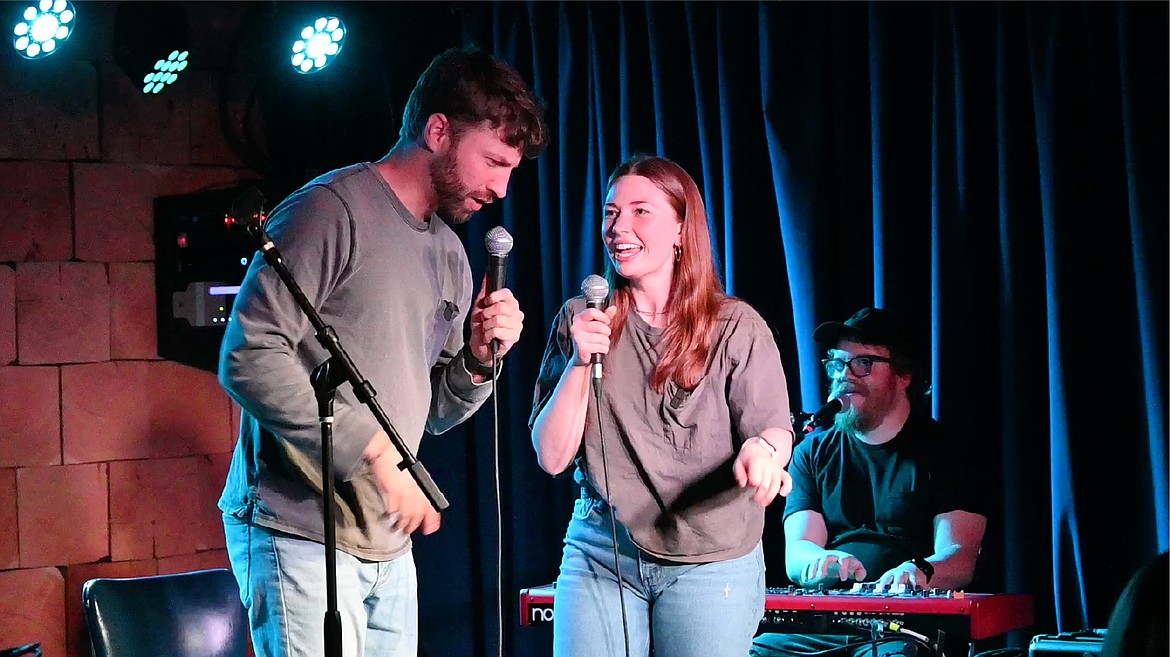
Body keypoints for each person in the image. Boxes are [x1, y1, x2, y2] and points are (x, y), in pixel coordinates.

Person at [217, 47, 547, 657]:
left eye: (510, 170)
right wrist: (373, 451)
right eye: (494, 162)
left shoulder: (450, 253)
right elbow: (247, 354)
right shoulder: (329, 210)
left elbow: (435, 411)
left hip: (389, 542)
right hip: (301, 528)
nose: (501, 188)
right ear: (438, 130)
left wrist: (477, 360)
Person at [530, 154, 796, 657]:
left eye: (640, 212)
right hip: (604, 551)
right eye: (611, 213)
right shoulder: (583, 319)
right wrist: (580, 363)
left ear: (680, 229)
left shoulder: (735, 326)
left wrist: (763, 452)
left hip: (709, 556)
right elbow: (552, 456)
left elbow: (773, 431)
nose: (618, 228)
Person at [749, 307, 988, 657]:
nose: (845, 375)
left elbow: (960, 558)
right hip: (828, 626)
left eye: (863, 363)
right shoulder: (811, 452)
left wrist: (918, 572)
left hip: (908, 629)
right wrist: (820, 561)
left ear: (903, 375)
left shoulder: (945, 454)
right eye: (837, 363)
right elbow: (798, 551)